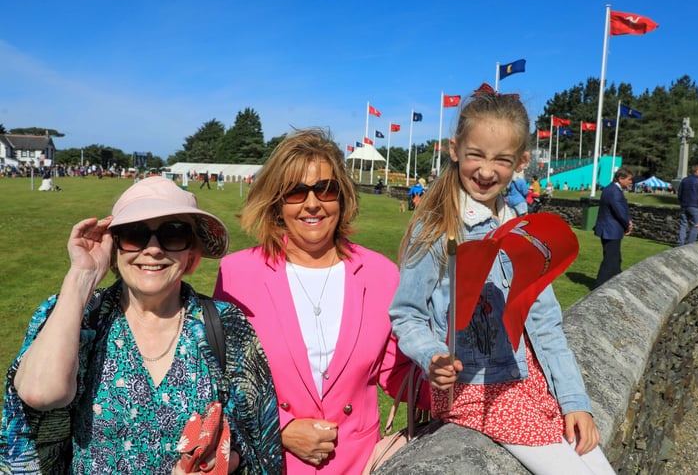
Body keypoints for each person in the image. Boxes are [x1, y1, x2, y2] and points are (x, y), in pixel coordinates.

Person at [389, 89, 614, 474]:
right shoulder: (436, 227)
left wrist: (574, 400)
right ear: (455, 149)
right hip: (472, 391)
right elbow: (406, 314)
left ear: (522, 162)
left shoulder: (523, 230)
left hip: (529, 384)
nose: (486, 170)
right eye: (476, 154)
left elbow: (545, 323)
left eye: (502, 160)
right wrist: (432, 356)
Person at [0, 177, 282, 474]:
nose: (153, 249)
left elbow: (259, 446)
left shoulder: (225, 324)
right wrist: (82, 277)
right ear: (115, 246)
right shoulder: (78, 315)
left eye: (173, 234)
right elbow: (40, 395)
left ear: (191, 256)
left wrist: (226, 460)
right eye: (135, 234)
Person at [213, 129, 421, 474]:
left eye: (325, 189)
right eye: (295, 191)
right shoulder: (237, 273)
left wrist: (453, 378)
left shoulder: (382, 274)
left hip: (359, 464)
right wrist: (279, 427)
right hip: (272, 463)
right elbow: (222, 375)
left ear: (342, 196)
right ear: (277, 201)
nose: (312, 203)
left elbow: (395, 370)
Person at [593, 167, 634, 288]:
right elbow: (619, 210)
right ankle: (599, 286)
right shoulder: (614, 191)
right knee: (610, 260)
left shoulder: (610, 189)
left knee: (615, 259)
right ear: (621, 179)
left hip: (610, 229)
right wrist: (627, 224)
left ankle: (617, 283)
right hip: (611, 230)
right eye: (629, 179)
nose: (630, 182)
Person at [677, 165, 698, 245]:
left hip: (684, 205)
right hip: (695, 205)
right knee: (695, 225)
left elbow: (679, 193)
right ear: (697, 171)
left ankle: (680, 243)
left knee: (683, 224)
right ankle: (690, 244)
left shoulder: (684, 180)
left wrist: (682, 202)